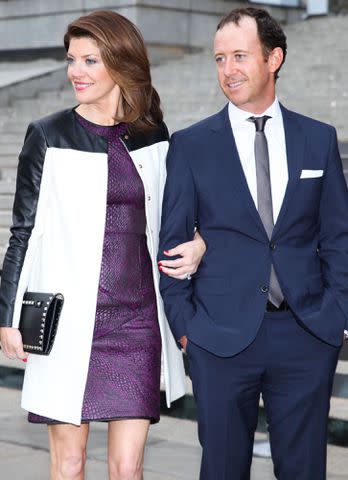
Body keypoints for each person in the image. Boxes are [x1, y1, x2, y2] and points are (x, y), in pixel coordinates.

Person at [0, 10, 206, 480]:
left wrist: (199, 245)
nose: (76, 71)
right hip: (69, 321)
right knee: (69, 464)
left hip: (136, 320)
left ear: (119, 62)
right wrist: (7, 315)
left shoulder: (153, 135)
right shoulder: (48, 136)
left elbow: (173, 219)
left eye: (90, 60)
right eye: (72, 59)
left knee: (127, 467)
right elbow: (23, 232)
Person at [159, 7, 348, 480]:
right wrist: (187, 330)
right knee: (222, 469)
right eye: (219, 59)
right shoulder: (191, 145)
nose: (228, 70)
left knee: (304, 470)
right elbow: (172, 246)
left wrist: (336, 315)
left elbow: (339, 237)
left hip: (306, 334)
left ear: (274, 58)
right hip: (219, 338)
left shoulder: (318, 140)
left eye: (240, 56)